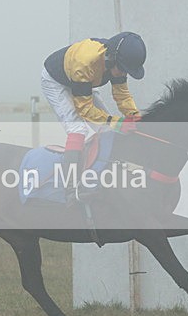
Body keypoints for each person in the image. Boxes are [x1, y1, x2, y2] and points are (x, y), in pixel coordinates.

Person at [41, 31, 147, 201]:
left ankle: (105, 176)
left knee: (106, 128)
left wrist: (134, 116)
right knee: (78, 129)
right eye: (122, 69)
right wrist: (118, 123)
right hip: (56, 81)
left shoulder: (116, 62)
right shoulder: (85, 63)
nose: (123, 73)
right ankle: (71, 187)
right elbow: (84, 110)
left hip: (82, 81)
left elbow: (122, 94)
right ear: (111, 59)